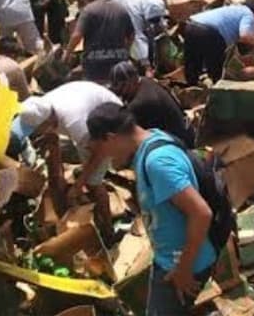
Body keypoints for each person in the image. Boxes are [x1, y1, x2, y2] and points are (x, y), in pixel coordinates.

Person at [86, 102, 217, 315]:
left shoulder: (157, 162)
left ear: (110, 138)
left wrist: (183, 269)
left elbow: (201, 213)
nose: (106, 157)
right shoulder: (151, 140)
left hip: (183, 265)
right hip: (170, 259)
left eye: (102, 148)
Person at [20, 80, 122, 229]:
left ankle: (107, 228)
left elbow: (100, 152)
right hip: (90, 119)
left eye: (36, 129)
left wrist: (78, 185)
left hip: (112, 124)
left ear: (47, 121)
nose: (35, 133)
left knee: (93, 183)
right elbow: (52, 141)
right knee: (84, 170)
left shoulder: (75, 122)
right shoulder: (43, 105)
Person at [182, 0, 254, 83]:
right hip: (210, 33)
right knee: (217, 67)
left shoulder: (234, 9)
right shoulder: (249, 15)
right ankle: (217, 90)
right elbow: (245, 36)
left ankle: (191, 87)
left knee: (193, 61)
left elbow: (236, 41)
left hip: (191, 25)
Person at [109, 61, 194, 148]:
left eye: (123, 87)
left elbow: (129, 138)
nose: (121, 93)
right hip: (180, 136)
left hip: (179, 146)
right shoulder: (146, 82)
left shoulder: (140, 103)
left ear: (133, 81)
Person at [66, 0, 133, 82]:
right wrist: (125, 53)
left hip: (95, 64)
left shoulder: (89, 10)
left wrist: (67, 54)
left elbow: (77, 36)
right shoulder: (121, 9)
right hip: (118, 61)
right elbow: (131, 35)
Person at [108, 0, 168, 69]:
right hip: (116, 8)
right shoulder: (134, 11)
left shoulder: (157, 0)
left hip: (135, 1)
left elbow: (159, 24)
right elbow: (138, 36)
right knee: (128, 39)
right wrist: (147, 65)